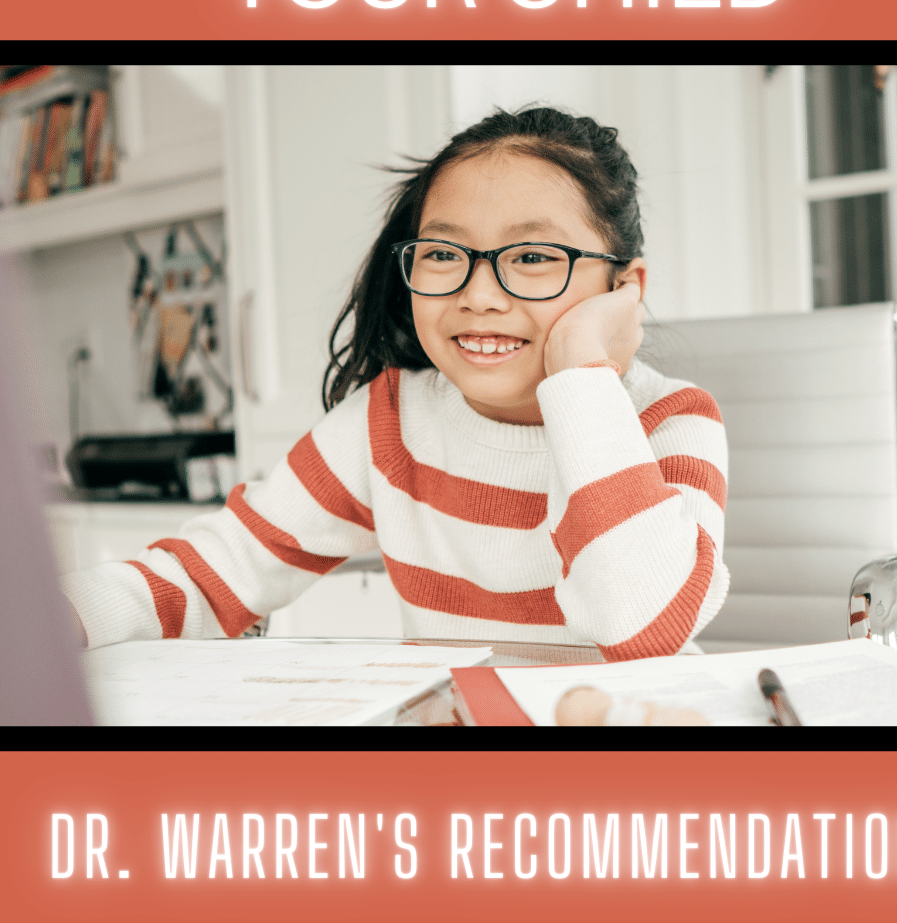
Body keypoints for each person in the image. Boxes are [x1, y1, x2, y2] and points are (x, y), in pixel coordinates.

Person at [63, 107, 729, 659]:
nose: (479, 294)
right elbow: (214, 574)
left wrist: (581, 371)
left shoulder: (671, 420)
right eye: (444, 254)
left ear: (623, 288)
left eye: (532, 257)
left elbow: (641, 624)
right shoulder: (388, 422)